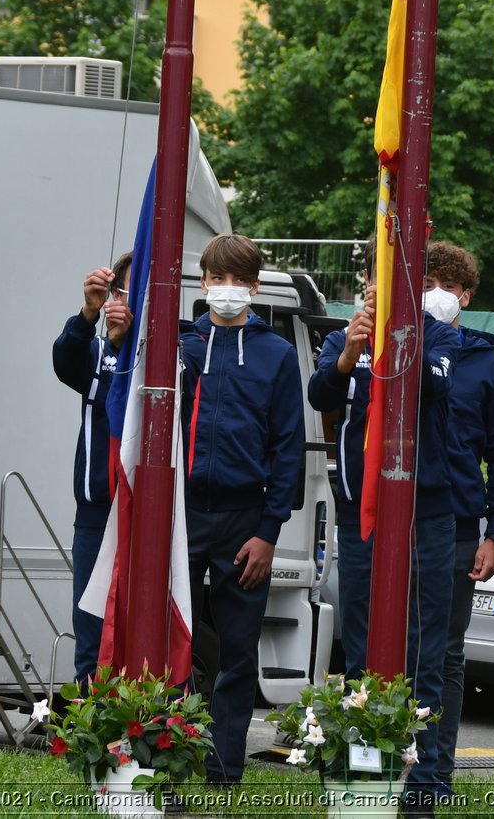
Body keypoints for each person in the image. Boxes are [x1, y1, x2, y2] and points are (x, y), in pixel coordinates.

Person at [306, 248, 459, 818]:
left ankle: (420, 790)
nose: (383, 286)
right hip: (360, 508)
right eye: (377, 276)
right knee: (364, 640)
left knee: (424, 644)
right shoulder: (342, 338)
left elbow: (436, 389)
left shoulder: (438, 336)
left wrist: (400, 334)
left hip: (427, 511)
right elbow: (321, 396)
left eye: (399, 277)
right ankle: (365, 780)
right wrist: (350, 350)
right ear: (365, 281)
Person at [180, 234, 304, 786]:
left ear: (254, 287)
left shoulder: (275, 353)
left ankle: (223, 771)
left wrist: (268, 530)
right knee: (170, 645)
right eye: (217, 278)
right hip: (181, 515)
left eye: (238, 280)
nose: (226, 290)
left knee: (235, 655)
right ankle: (164, 760)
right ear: (202, 281)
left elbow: (288, 447)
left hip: (244, 522)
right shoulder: (179, 345)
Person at [423, 241, 494, 797]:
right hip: (398, 518)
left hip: (461, 524)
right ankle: (385, 759)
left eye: (449, 285)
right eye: (428, 281)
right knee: (394, 642)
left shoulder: (488, 365)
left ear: (466, 295)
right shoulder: (401, 346)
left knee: (446, 650)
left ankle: (435, 770)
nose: (437, 293)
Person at [51, 253, 133, 685]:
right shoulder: (96, 351)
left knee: (139, 626)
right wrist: (88, 313)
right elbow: (64, 361)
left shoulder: (172, 356)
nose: (126, 303)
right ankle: (89, 737)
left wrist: (130, 341)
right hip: (97, 513)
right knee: (91, 625)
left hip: (147, 514)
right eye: (121, 293)